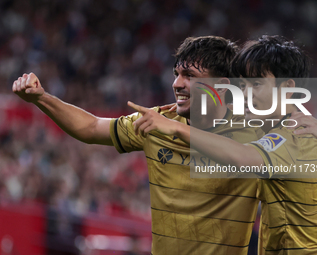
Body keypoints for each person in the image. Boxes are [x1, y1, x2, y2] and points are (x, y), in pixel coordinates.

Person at [13, 36, 262, 255]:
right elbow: (90, 128)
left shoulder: (252, 133)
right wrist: (41, 98)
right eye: (176, 74)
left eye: (190, 76)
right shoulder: (156, 121)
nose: (176, 84)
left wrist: (178, 129)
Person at [129, 35, 317, 254]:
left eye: (255, 84)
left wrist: (177, 128)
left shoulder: (289, 137)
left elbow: (245, 158)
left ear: (288, 87)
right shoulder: (308, 130)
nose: (244, 93)